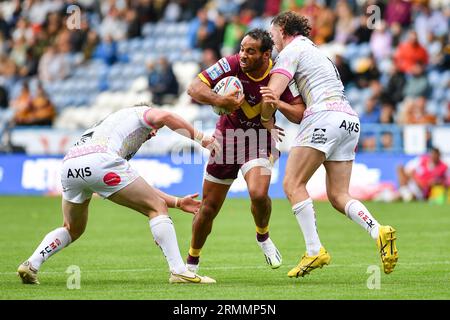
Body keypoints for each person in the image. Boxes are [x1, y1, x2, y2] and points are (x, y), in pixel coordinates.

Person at [260, 11, 398, 278]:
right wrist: (278, 105)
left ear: (284, 29)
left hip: (323, 116)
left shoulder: (291, 50)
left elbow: (270, 95)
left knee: (292, 184)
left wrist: (266, 120)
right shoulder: (317, 53)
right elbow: (294, 111)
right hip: (347, 119)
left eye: (273, 32)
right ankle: (378, 230)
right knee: (338, 195)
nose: (272, 39)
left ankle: (314, 250)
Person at [17, 104, 220, 285]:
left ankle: (32, 264)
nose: (154, 133)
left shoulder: (108, 126)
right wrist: (202, 138)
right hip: (99, 161)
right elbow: (166, 116)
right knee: (157, 208)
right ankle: (179, 271)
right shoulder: (140, 112)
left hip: (70, 165)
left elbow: (136, 187)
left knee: (72, 228)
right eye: (154, 129)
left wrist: (177, 202)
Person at [186, 28, 304, 273]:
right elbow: (193, 88)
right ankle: (192, 262)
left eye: (250, 51)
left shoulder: (279, 73)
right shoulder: (230, 64)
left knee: (258, 194)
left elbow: (299, 112)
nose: (243, 55)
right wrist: (220, 101)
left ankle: (263, 236)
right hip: (227, 140)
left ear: (265, 55)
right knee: (208, 208)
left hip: (259, 138)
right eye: (241, 49)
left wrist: (277, 103)